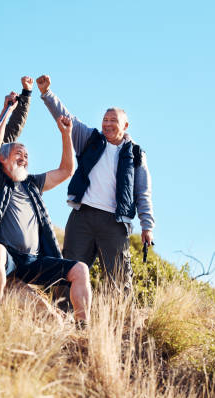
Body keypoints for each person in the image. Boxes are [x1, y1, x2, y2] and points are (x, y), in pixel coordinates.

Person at [0, 94, 91, 322]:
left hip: (33, 260)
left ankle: (82, 326)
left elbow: (66, 171)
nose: (24, 159)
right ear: (4, 160)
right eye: (19, 154)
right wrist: (8, 110)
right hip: (8, 258)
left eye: (27, 156)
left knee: (80, 270)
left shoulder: (33, 184)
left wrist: (66, 135)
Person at [36, 75, 155, 291]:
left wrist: (147, 225)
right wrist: (47, 94)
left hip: (115, 222)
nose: (107, 124)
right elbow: (66, 118)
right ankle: (63, 318)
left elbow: (143, 192)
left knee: (119, 278)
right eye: (105, 120)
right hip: (83, 217)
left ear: (125, 125)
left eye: (113, 121)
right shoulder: (90, 139)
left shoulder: (136, 153)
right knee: (69, 269)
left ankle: (116, 321)